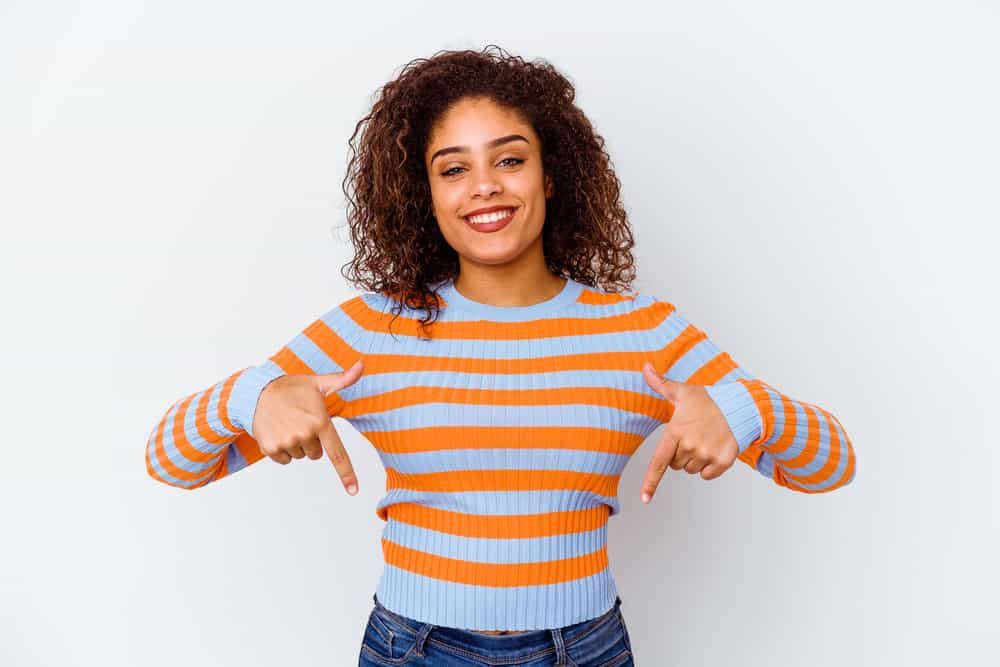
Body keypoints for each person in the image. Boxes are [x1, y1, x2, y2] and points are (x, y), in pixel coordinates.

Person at [145, 45, 856, 666]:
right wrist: (253, 396)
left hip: (586, 648)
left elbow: (832, 463)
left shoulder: (640, 330)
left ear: (551, 176)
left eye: (510, 159)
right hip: (415, 650)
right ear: (425, 195)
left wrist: (743, 408)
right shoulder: (375, 327)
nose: (484, 185)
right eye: (453, 169)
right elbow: (169, 459)